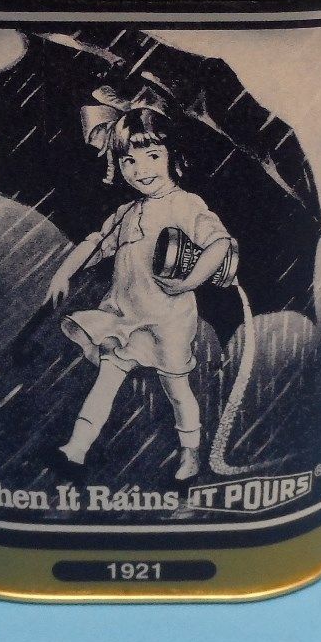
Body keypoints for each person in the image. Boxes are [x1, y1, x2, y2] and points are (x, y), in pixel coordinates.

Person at [46, 90, 234, 481]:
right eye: (128, 160)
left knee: (176, 388)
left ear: (172, 157)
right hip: (123, 311)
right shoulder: (126, 212)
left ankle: (190, 453)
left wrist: (189, 282)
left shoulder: (185, 204)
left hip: (167, 318)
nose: (140, 169)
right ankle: (76, 448)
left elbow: (219, 244)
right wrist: (64, 272)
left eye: (152, 156)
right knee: (107, 377)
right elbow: (96, 244)